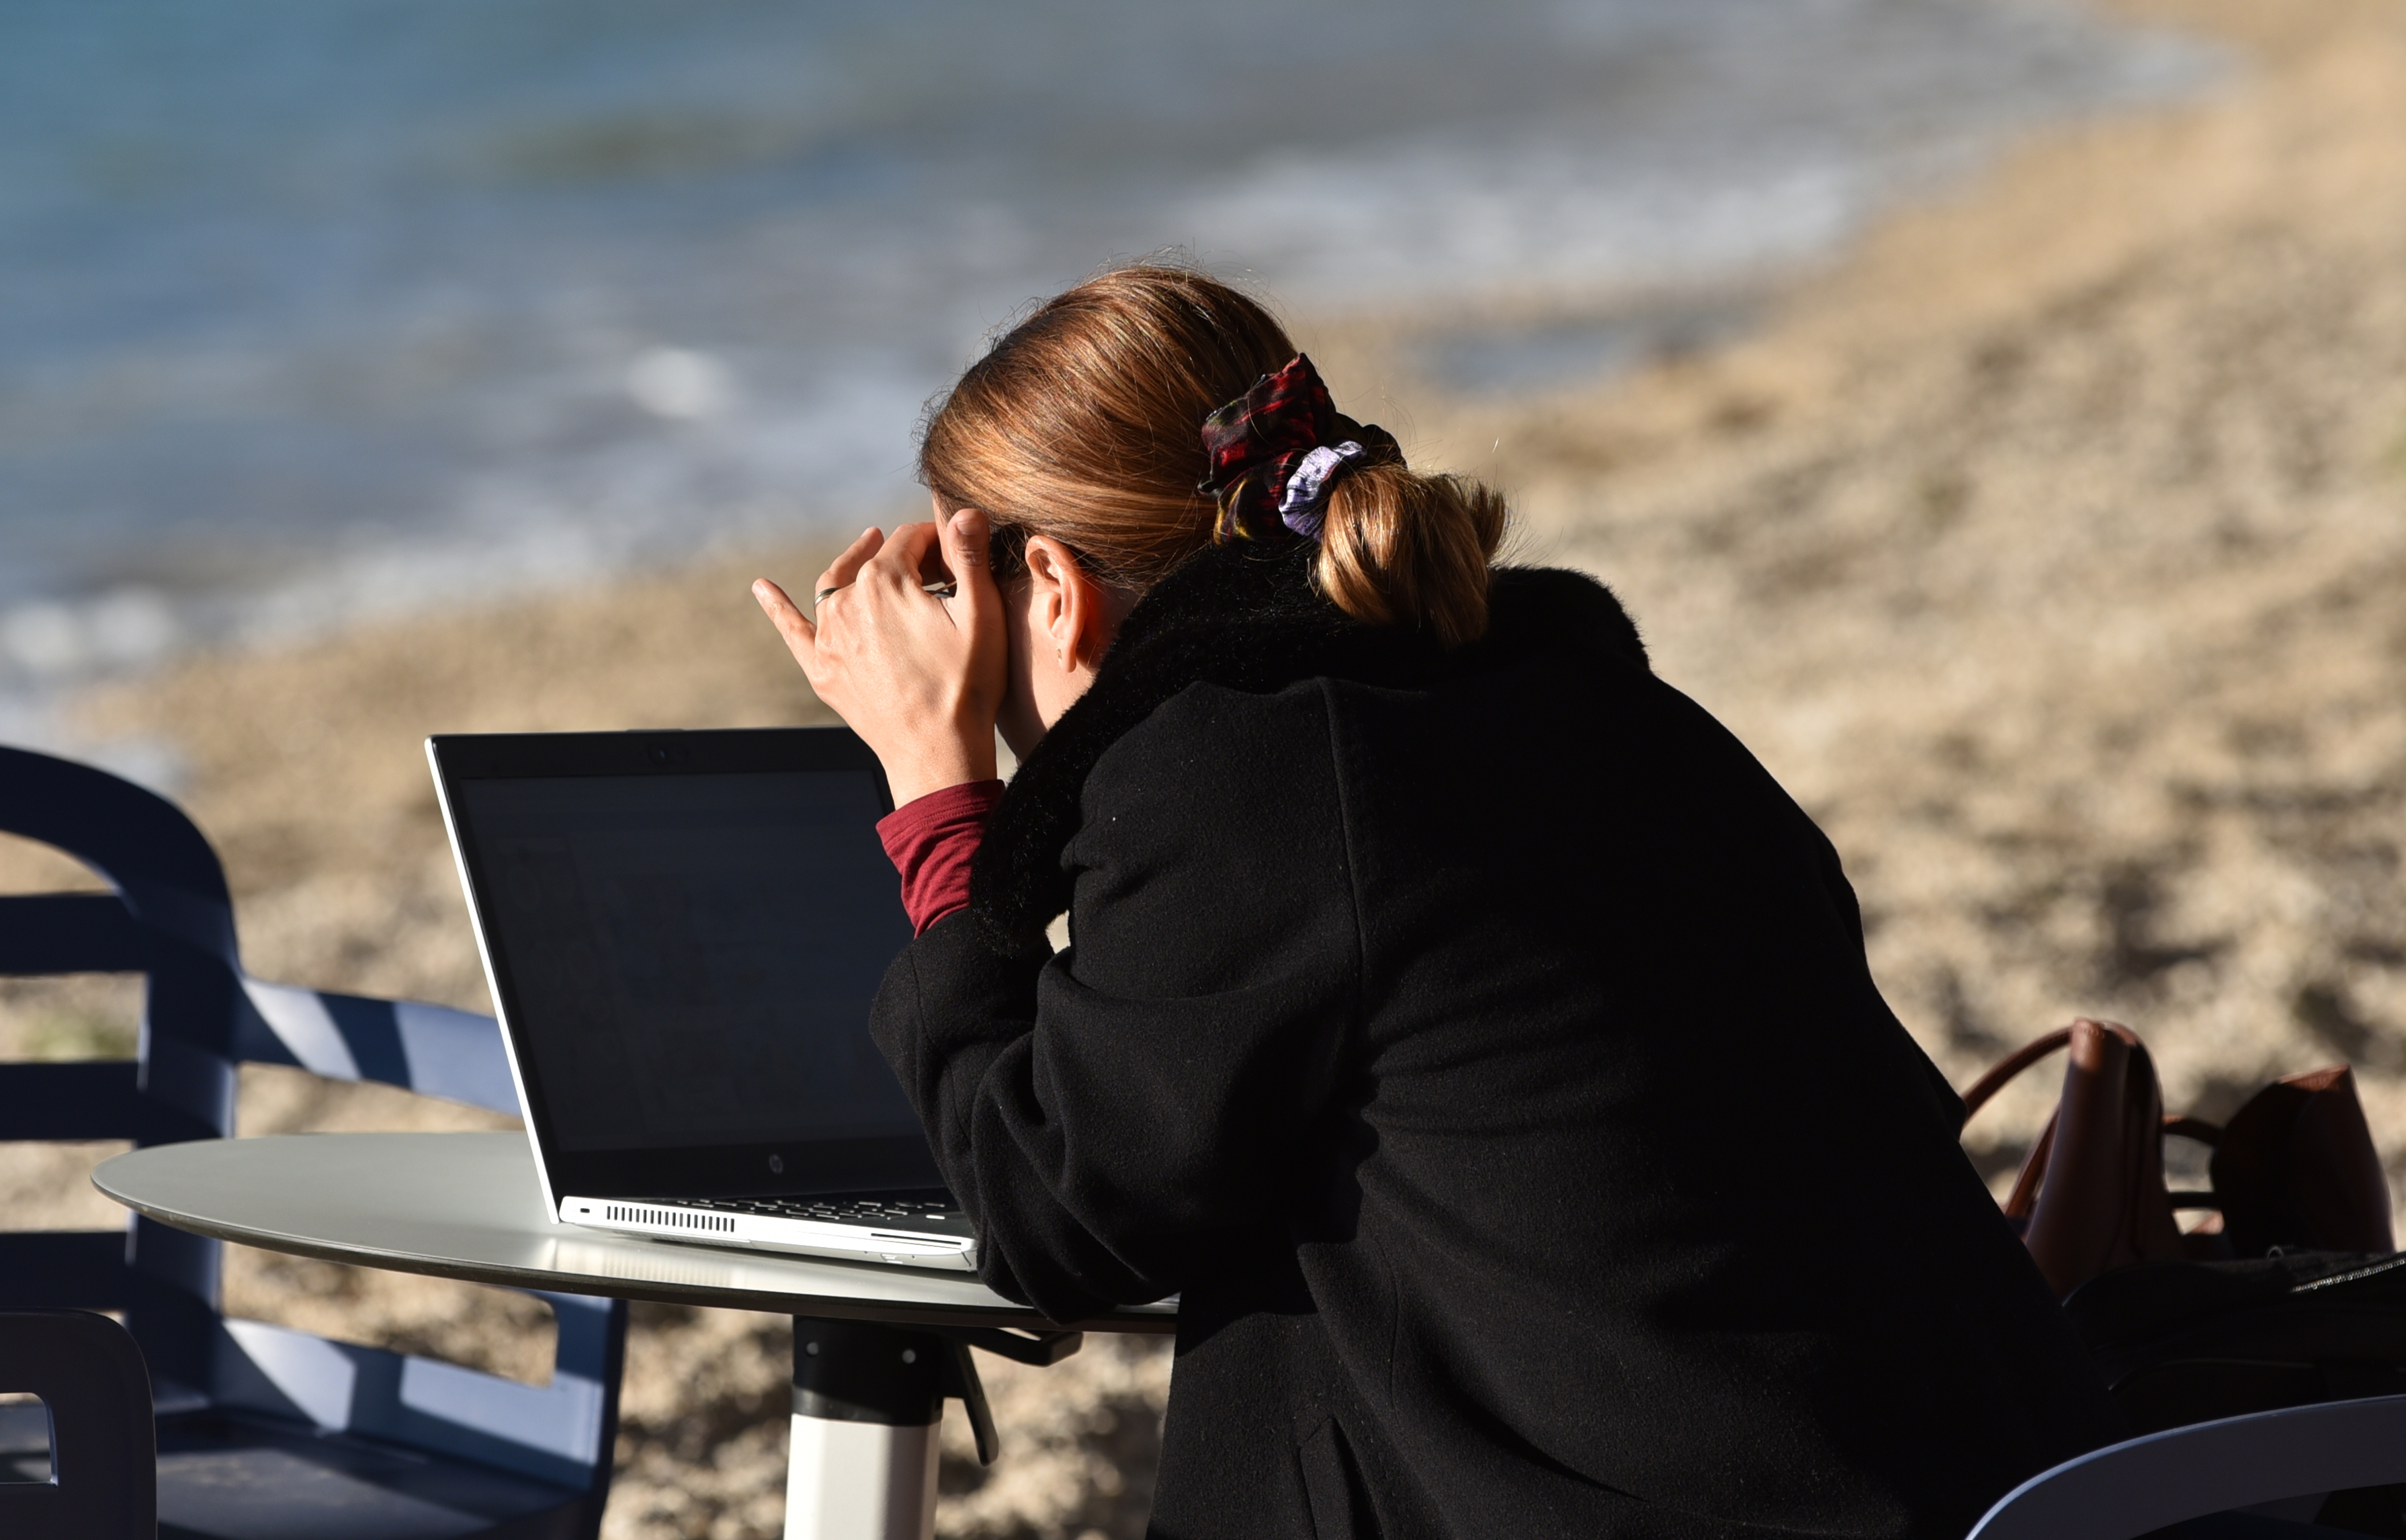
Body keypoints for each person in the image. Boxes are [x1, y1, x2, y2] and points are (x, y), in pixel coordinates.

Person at [753, 265, 2116, 1540]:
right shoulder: (1612, 708)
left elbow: (1057, 1221)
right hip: (1993, 1484)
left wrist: (938, 796)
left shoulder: (1248, 772)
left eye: (956, 583)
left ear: (1047, 587)